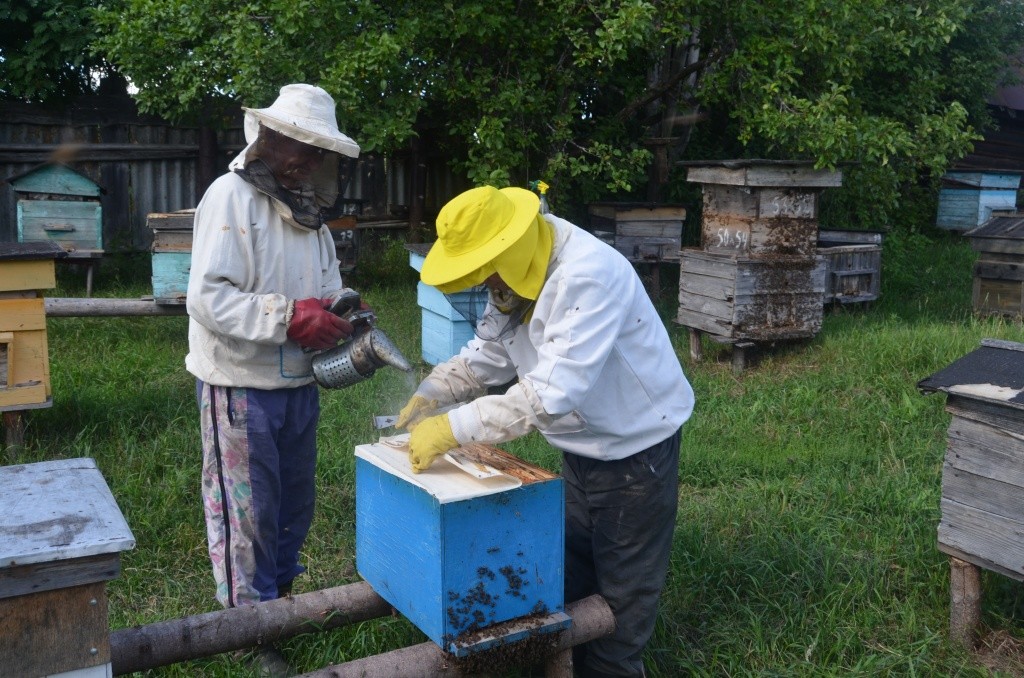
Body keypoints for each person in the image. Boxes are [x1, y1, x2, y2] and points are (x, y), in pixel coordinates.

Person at [396, 185, 695, 677]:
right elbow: (489, 354)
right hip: (581, 449)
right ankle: (565, 662)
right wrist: (434, 391)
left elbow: (548, 394)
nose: (488, 283)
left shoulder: (587, 276)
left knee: (623, 595)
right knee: (573, 568)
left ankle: (612, 669)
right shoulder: (515, 278)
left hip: (636, 451)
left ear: (508, 249)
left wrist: (453, 427)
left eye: (488, 270)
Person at [185, 83, 362, 674]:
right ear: (269, 137)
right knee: (248, 511)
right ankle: (248, 626)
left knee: (292, 502)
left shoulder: (311, 214)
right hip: (240, 384)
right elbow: (208, 297)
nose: (309, 160)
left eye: (318, 151)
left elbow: (328, 279)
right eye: (301, 146)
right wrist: (289, 317)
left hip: (298, 385)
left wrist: (343, 308)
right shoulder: (228, 198)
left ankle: (279, 600)